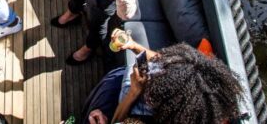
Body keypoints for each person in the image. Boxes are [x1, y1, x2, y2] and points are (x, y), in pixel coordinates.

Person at [83, 41, 244, 124]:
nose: (156, 74)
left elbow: (117, 122)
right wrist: (134, 45)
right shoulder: (199, 96)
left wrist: (133, 92)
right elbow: (163, 61)